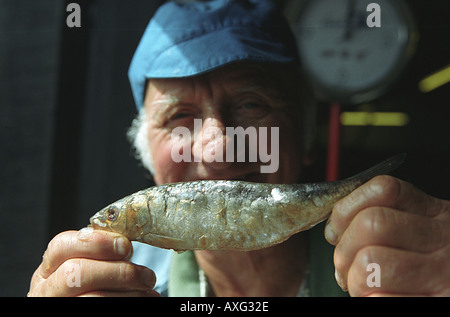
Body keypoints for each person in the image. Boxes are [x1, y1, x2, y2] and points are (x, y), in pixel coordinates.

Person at [28, 0, 449, 297]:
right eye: (179, 118)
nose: (217, 150)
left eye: (251, 105)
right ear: (148, 158)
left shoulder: (395, 264)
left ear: (303, 136)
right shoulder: (116, 281)